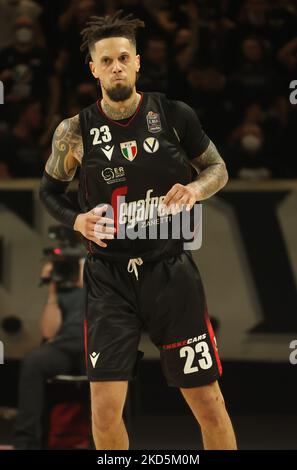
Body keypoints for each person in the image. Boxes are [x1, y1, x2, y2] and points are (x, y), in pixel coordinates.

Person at [39, 11, 237, 450]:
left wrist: (195, 188)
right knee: (105, 412)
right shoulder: (74, 131)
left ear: (137, 62)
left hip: (169, 272)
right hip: (108, 278)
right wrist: (76, 219)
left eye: (123, 58)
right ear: (93, 68)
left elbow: (218, 168)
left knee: (208, 402)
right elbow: (48, 191)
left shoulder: (173, 114)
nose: (116, 67)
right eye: (106, 60)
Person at [13, 259, 85, 450]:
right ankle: (26, 443)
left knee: (104, 366)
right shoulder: (60, 293)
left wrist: (88, 275)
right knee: (33, 361)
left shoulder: (100, 285)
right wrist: (52, 289)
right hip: (62, 346)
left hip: (93, 345)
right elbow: (48, 332)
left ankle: (102, 443)